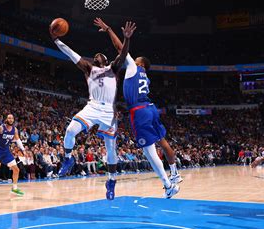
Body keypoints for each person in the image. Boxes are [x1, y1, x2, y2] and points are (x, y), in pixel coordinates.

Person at [94, 20, 179, 198]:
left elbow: (120, 48)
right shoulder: (145, 77)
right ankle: (174, 173)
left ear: (140, 63)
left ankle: (168, 184)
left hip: (140, 111)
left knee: (148, 151)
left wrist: (110, 30)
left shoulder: (134, 67)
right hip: (151, 108)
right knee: (161, 141)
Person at [50, 21, 132, 200]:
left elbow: (124, 53)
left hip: (109, 113)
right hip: (92, 107)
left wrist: (125, 39)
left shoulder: (113, 68)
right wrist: (56, 41)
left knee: (111, 149)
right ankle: (68, 158)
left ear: (106, 60)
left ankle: (111, 181)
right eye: (94, 56)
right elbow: (71, 54)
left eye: (99, 55)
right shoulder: (89, 68)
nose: (96, 56)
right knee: (71, 130)